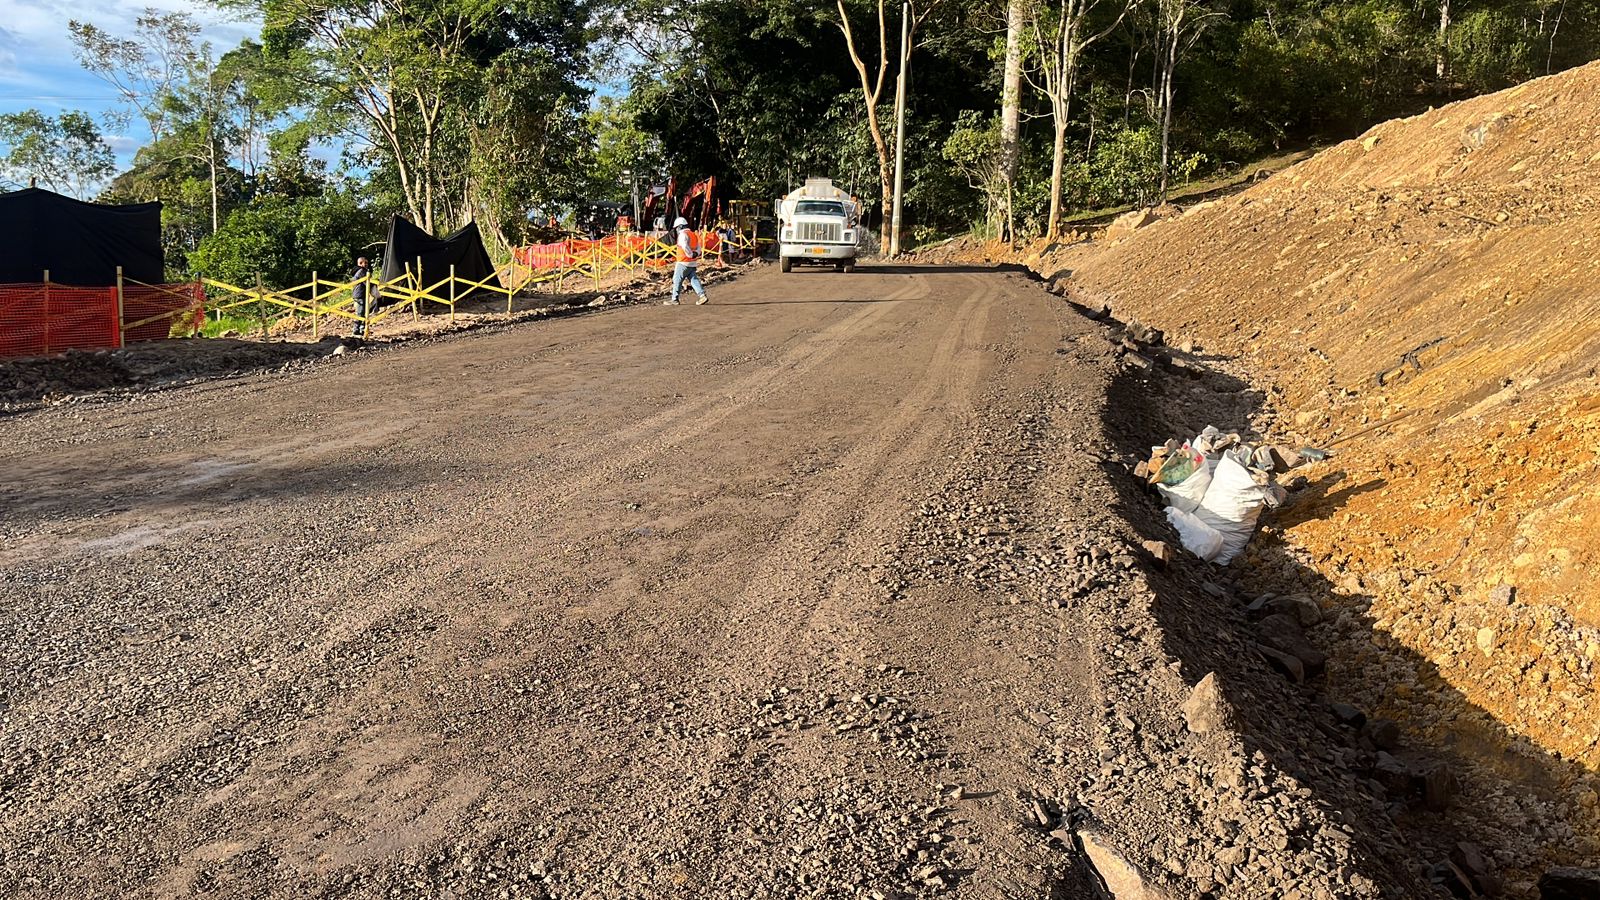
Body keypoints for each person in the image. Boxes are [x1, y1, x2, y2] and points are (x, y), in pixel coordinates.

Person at [666, 216, 708, 306]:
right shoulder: (692, 234)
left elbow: (685, 246)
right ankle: (702, 295)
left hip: (683, 262)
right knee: (693, 279)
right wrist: (695, 254)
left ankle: (674, 299)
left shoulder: (682, 235)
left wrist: (690, 254)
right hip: (692, 262)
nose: (676, 230)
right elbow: (699, 247)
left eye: (677, 228)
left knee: (677, 279)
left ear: (680, 226)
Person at [351, 256, 371, 337]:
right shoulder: (361, 271)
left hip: (360, 293)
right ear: (360, 263)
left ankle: (361, 329)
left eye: (366, 263)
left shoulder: (358, 271)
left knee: (363, 312)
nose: (366, 264)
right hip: (360, 294)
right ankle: (356, 330)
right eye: (364, 263)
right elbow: (367, 283)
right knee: (360, 312)